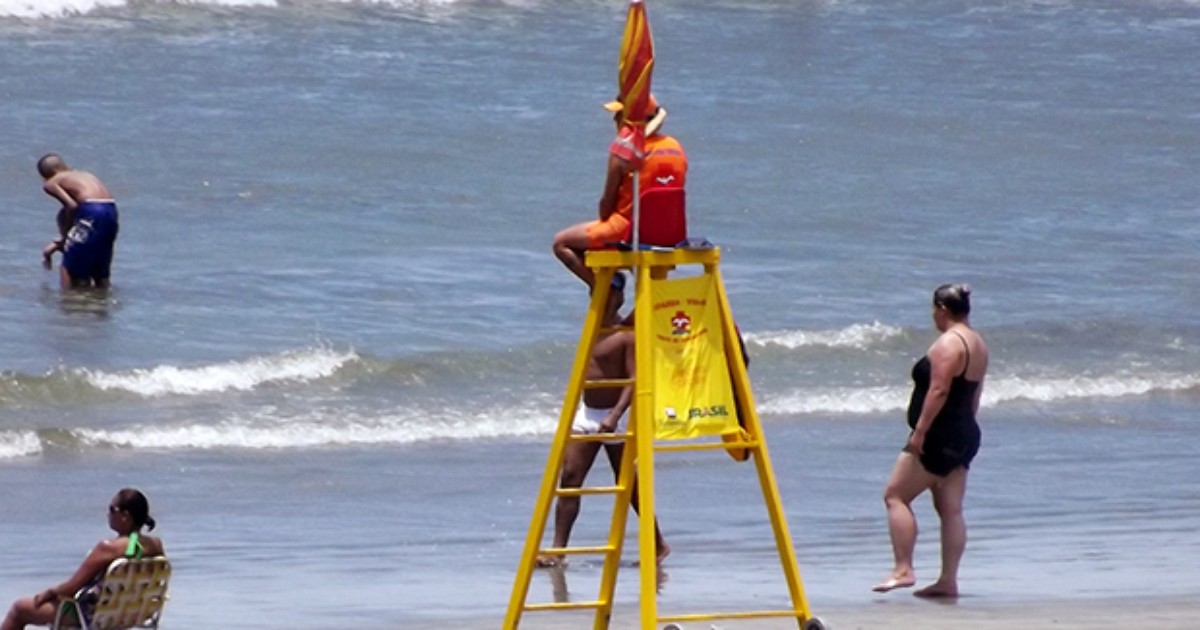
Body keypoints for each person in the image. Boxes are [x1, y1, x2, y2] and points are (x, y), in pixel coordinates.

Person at [536, 272, 669, 567]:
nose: (601, 296)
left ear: (620, 297)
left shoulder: (626, 332)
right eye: (598, 290)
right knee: (570, 477)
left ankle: (657, 543)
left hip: (615, 416)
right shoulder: (593, 324)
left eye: (610, 292)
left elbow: (634, 380)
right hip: (587, 412)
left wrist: (615, 415)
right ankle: (559, 551)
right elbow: (565, 254)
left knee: (629, 485)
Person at [874, 284, 989, 598]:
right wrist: (965, 428)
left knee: (895, 495)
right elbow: (974, 393)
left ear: (941, 308)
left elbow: (938, 391)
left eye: (933, 310)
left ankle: (903, 569)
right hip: (964, 432)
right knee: (950, 508)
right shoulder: (977, 343)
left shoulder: (948, 345)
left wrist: (921, 432)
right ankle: (948, 581)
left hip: (938, 435)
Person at [552, 94, 687, 289]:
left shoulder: (623, 153)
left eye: (619, 114)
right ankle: (645, 302)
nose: (614, 119)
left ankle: (607, 290)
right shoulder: (676, 147)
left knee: (561, 243)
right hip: (669, 234)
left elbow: (606, 206)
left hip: (629, 229)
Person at [2, 488, 165, 630]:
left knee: (19, 609)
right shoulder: (155, 545)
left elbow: (71, 588)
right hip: (131, 613)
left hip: (92, 614)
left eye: (111, 509)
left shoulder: (108, 547)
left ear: (125, 516)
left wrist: (48, 593)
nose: (108, 514)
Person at [37, 153, 120, 289]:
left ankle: (69, 303)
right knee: (100, 273)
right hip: (110, 209)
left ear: (44, 175)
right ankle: (102, 303)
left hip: (91, 211)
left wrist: (65, 238)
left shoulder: (51, 182)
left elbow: (71, 206)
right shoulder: (83, 174)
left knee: (70, 268)